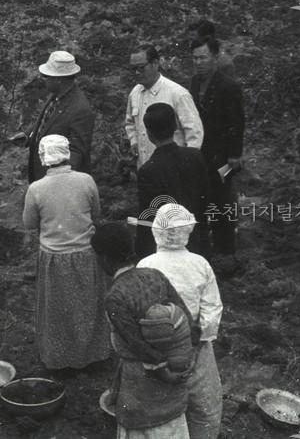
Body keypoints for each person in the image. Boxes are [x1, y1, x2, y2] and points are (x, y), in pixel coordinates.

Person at [92, 222, 195, 439]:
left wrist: (161, 370)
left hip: (142, 377)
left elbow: (135, 343)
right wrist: (181, 357)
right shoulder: (155, 275)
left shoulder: (115, 297)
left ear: (104, 259)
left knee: (145, 428)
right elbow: (185, 316)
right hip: (174, 367)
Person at [21, 135, 110, 372]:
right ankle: (93, 355)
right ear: (67, 154)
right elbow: (95, 213)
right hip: (86, 254)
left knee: (58, 312)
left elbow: (29, 224)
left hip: (54, 258)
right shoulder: (86, 181)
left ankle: (60, 359)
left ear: (43, 158)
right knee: (88, 306)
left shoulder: (36, 189)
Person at [139, 205, 224, 439]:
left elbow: (139, 312)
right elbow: (212, 308)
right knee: (205, 408)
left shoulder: (145, 265)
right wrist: (199, 339)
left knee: (161, 407)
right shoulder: (200, 264)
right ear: (188, 231)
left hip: (157, 350)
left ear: (157, 231)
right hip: (196, 346)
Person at [189, 35, 245, 272]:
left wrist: (234, 154)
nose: (199, 62)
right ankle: (204, 252)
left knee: (223, 201)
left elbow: (237, 121)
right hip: (201, 155)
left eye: (203, 57)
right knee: (201, 201)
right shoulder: (193, 84)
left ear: (214, 58)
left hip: (223, 156)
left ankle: (226, 252)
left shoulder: (228, 86)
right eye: (195, 58)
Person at [134, 103, 208, 260]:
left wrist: (142, 252)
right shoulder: (195, 156)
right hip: (197, 237)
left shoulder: (148, 171)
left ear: (149, 134)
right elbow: (206, 197)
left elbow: (148, 216)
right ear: (175, 127)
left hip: (168, 243)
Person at [10, 51, 95, 183]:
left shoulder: (80, 109)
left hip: (59, 183)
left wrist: (54, 186)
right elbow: (48, 122)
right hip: (43, 176)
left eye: (46, 76)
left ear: (58, 80)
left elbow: (77, 154)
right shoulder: (57, 96)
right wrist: (29, 136)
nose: (44, 79)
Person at [126, 45, 203, 169]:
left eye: (141, 68)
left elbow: (194, 133)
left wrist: (187, 164)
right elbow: (130, 122)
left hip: (174, 170)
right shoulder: (135, 93)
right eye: (133, 68)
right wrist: (134, 141)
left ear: (155, 64)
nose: (136, 72)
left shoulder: (177, 94)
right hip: (145, 167)